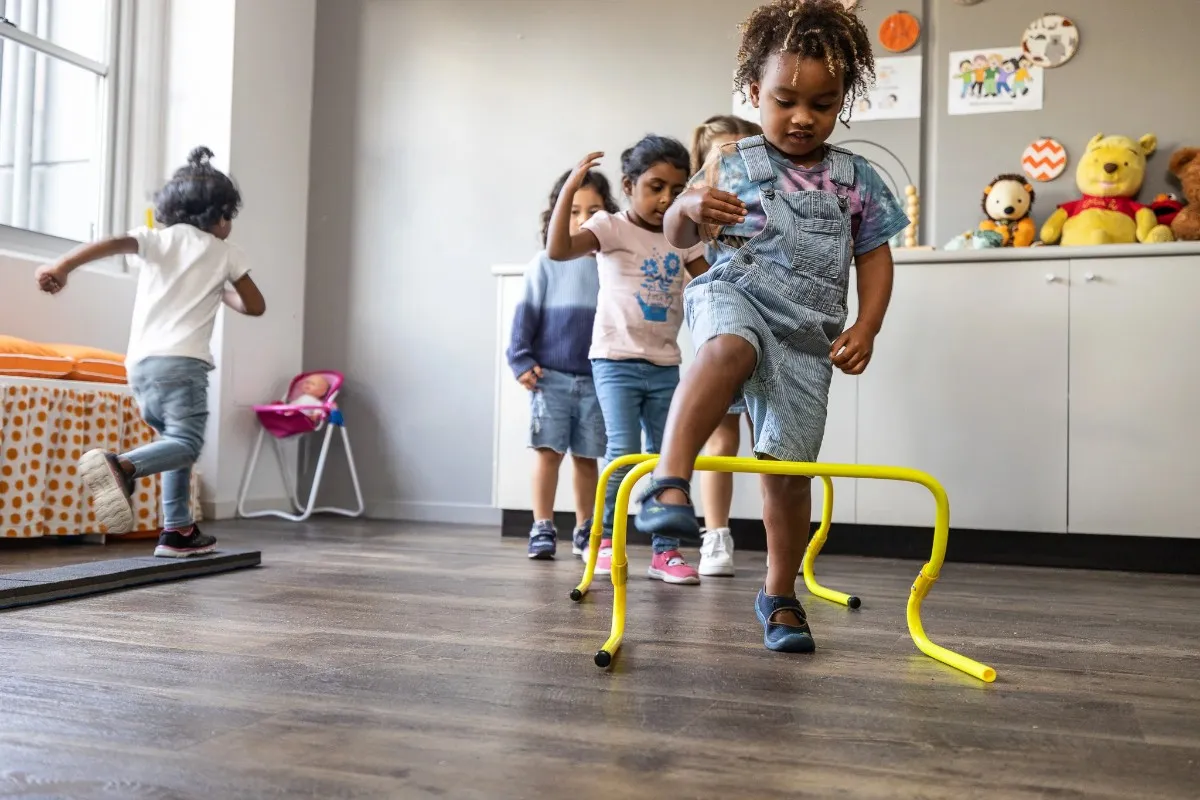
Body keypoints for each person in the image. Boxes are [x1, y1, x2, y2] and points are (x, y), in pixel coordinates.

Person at [634, 0, 910, 650]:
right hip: (735, 293)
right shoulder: (730, 160)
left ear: (843, 102)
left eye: (822, 103)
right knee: (728, 349)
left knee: (787, 473)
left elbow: (874, 256)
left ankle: (779, 594)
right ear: (755, 93)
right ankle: (669, 484)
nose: (802, 117)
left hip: (806, 338)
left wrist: (868, 325)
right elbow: (677, 235)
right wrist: (689, 206)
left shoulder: (857, 180)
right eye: (785, 101)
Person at [34, 146, 266, 558]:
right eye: (229, 217)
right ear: (219, 216)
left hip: (140, 367)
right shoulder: (226, 253)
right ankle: (121, 466)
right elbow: (255, 306)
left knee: (172, 444)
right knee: (186, 443)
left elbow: (111, 243)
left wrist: (62, 267)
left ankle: (177, 531)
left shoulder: (157, 240)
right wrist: (224, 290)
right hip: (184, 364)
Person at [546, 135, 708, 585]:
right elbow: (558, 250)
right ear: (629, 185)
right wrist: (569, 191)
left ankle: (665, 552)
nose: (666, 199)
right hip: (615, 359)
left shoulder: (683, 236)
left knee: (666, 458)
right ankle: (600, 542)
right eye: (655, 187)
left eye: (676, 190)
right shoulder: (609, 226)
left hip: (665, 362)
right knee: (622, 452)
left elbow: (714, 283)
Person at [507, 168, 618, 560]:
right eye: (573, 211)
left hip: (596, 378)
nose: (583, 220)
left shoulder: (610, 264)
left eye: (593, 211)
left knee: (588, 457)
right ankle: (542, 526)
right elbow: (524, 317)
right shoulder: (545, 263)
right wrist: (521, 360)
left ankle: (586, 529)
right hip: (549, 378)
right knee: (548, 452)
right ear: (557, 214)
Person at [687, 114, 762, 578]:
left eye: (746, 152)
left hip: (774, 326)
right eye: (725, 155)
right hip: (723, 328)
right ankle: (715, 535)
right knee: (722, 435)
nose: (738, 163)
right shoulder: (698, 208)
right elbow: (693, 266)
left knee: (774, 439)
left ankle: (785, 539)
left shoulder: (771, 199)